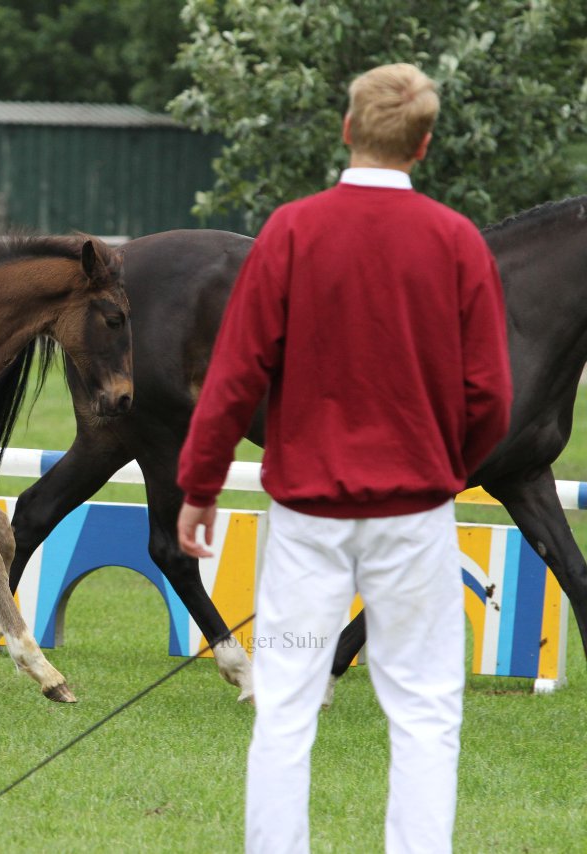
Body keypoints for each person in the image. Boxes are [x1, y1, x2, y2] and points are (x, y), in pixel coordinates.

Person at [175, 63, 512, 853]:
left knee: (285, 705)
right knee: (426, 710)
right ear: (424, 146)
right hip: (415, 514)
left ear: (347, 129)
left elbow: (234, 376)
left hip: (307, 519)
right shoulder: (456, 240)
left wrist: (200, 485)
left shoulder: (292, 230)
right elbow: (491, 394)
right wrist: (445, 467)